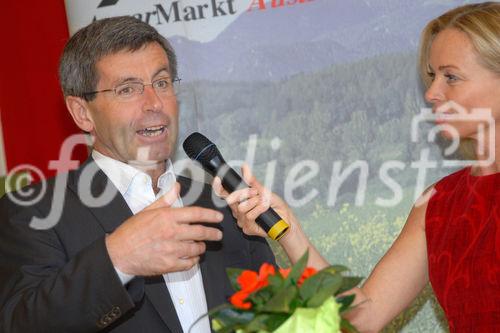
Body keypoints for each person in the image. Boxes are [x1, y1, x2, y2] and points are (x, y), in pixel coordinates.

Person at [213, 2, 500, 332]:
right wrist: (289, 230)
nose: (432, 92)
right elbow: (361, 318)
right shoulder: (438, 203)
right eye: (432, 76)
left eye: (451, 76)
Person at [0, 16, 276, 333]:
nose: (154, 103)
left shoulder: (223, 206)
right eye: (127, 89)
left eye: (161, 83)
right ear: (82, 112)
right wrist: (118, 259)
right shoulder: (33, 212)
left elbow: (277, 314)